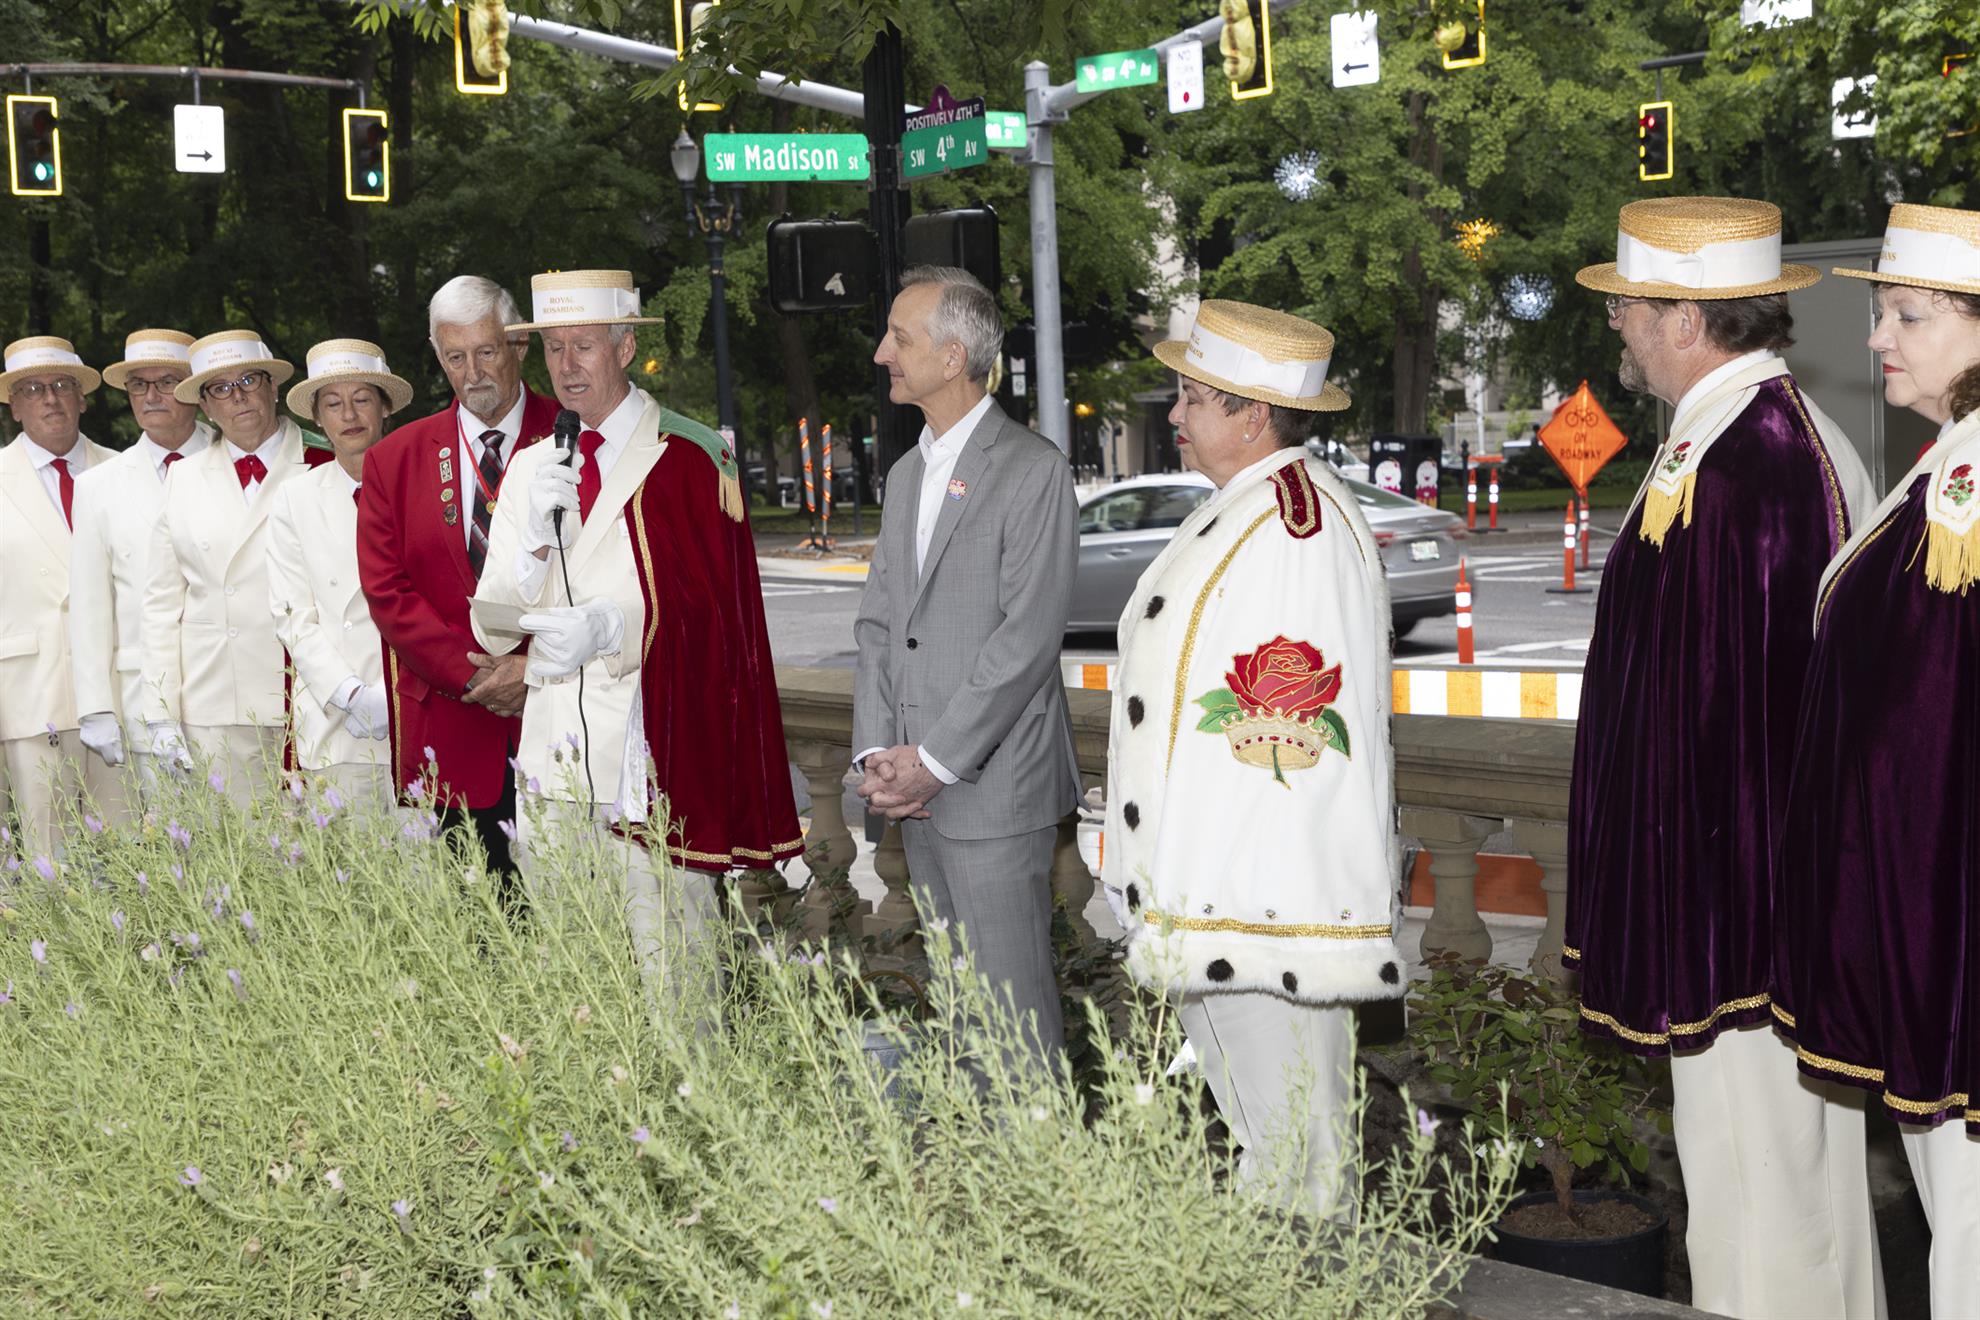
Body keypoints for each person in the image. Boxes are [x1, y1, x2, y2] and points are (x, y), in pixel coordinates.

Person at [1564, 197, 1881, 1320]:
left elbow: (1758, 717)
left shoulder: (1759, 458)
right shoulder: (1730, 435)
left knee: (1761, 1185)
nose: (1618, 326)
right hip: (1738, 898)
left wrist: (1715, 920)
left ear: (1687, 320)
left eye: (1630, 308)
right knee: (1760, 1179)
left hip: (1747, 918)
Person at [1102, 301, 1401, 1215]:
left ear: (1254, 415)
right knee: (1274, 1145)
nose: (1175, 414)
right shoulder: (1257, 508)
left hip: (1262, 902)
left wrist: (1229, 894)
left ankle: (1313, 1286)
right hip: (1225, 892)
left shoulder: (1294, 525)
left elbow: (1296, 747)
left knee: (1296, 1159)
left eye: (1194, 397)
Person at [472, 268, 800, 989]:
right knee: (573, 987)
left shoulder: (690, 458)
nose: (566, 365)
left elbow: (722, 620)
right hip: (554, 765)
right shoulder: (530, 468)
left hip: (652, 764)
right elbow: (491, 627)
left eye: (584, 345)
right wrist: (531, 544)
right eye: (553, 348)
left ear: (625, 348)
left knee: (674, 984)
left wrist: (612, 626)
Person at [1773, 202, 1980, 1319]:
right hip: (1926, 920)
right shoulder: (1943, 463)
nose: (1876, 337)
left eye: (1909, 314)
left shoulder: (1968, 484)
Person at [853, 266, 1081, 1069]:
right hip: (917, 793)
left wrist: (935, 763)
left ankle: (1037, 1152)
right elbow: (881, 625)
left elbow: (1026, 641)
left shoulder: (1032, 469)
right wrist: (878, 756)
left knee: (1014, 1024)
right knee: (960, 1012)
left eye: (899, 338)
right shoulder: (906, 474)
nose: (882, 353)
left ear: (953, 357)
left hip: (992, 790)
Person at [358, 276, 559, 875]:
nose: (472, 373)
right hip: (451, 727)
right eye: (454, 357)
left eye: (486, 351)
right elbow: (387, 592)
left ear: (519, 344)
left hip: (558, 720)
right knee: (474, 914)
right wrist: (473, 676)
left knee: (578, 907)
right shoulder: (394, 460)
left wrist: (531, 669)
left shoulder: (575, 436)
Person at [143, 330, 329, 805]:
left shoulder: (322, 463)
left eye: (249, 380)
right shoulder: (182, 478)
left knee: (329, 845)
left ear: (274, 387)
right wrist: (160, 712)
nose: (238, 397)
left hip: (313, 693)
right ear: (205, 406)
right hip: (216, 703)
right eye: (220, 388)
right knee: (236, 848)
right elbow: (161, 605)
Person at [69, 329, 213, 805]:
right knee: (172, 840)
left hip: (232, 694)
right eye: (138, 384)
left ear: (193, 388)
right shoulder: (98, 486)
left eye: (166, 382)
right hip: (144, 703)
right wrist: (95, 707)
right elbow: (90, 606)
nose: (151, 396)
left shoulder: (233, 463)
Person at [268, 340, 414, 807]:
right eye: (332, 403)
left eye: (362, 398)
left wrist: (396, 693)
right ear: (316, 416)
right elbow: (293, 615)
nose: (349, 414)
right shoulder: (294, 499)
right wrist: (351, 694)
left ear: (385, 407)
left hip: (416, 711)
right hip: (335, 719)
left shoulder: (422, 484)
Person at [0, 337, 120, 853]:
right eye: (32, 389)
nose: (49, 398)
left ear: (82, 398)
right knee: (49, 862)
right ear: (13, 406)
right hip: (29, 698)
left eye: (61, 386)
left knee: (134, 856)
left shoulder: (123, 471)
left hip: (118, 697)